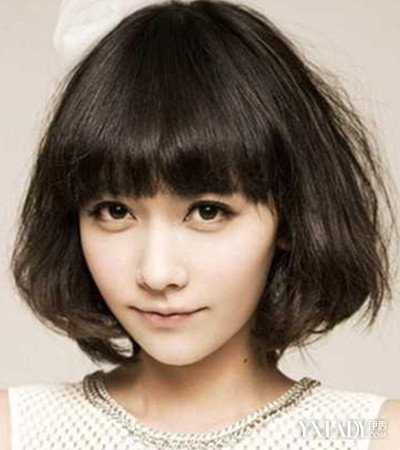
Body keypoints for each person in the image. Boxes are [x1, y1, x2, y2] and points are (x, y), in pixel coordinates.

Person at [1, 0, 399, 448]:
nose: (157, 274)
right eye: (115, 211)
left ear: (289, 216)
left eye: (208, 211)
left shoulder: (370, 434)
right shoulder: (18, 430)